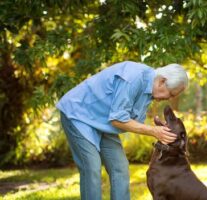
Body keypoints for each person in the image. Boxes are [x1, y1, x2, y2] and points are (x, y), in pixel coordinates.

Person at [56, 61, 188, 200]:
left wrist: (158, 128)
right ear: (162, 81)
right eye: (171, 94)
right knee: (92, 167)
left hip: (103, 121)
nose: (169, 98)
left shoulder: (149, 92)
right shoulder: (134, 77)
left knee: (120, 167)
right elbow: (118, 119)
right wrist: (153, 131)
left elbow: (130, 120)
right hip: (79, 114)